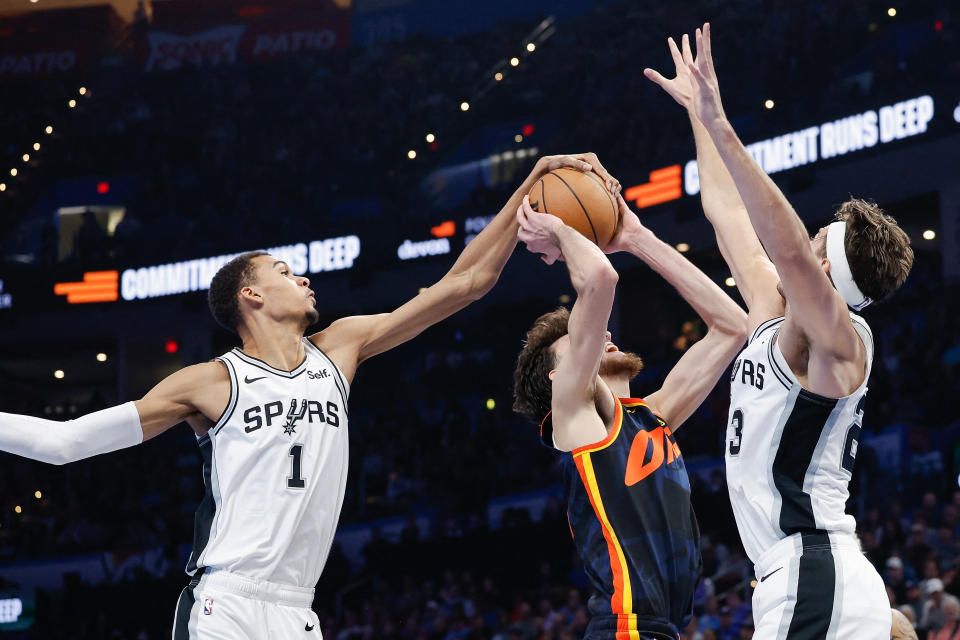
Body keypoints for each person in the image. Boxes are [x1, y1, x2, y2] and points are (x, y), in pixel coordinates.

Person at [0, 153, 616, 638]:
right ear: (252, 296)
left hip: (297, 610)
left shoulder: (339, 348)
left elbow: (468, 283)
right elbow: (65, 444)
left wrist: (532, 181)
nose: (304, 279)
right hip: (226, 603)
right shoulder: (209, 382)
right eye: (284, 273)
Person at [643, 23, 915, 639]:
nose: (802, 238)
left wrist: (723, 125)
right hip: (814, 579)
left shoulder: (842, 344)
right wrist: (698, 114)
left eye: (816, 238)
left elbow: (786, 249)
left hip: (811, 576)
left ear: (823, 269)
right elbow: (726, 210)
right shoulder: (776, 316)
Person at [512, 191, 748, 638]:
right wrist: (559, 230)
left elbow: (733, 326)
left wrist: (639, 238)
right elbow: (600, 276)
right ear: (559, 378)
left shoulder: (652, 417)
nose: (603, 333)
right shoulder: (575, 417)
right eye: (581, 340)